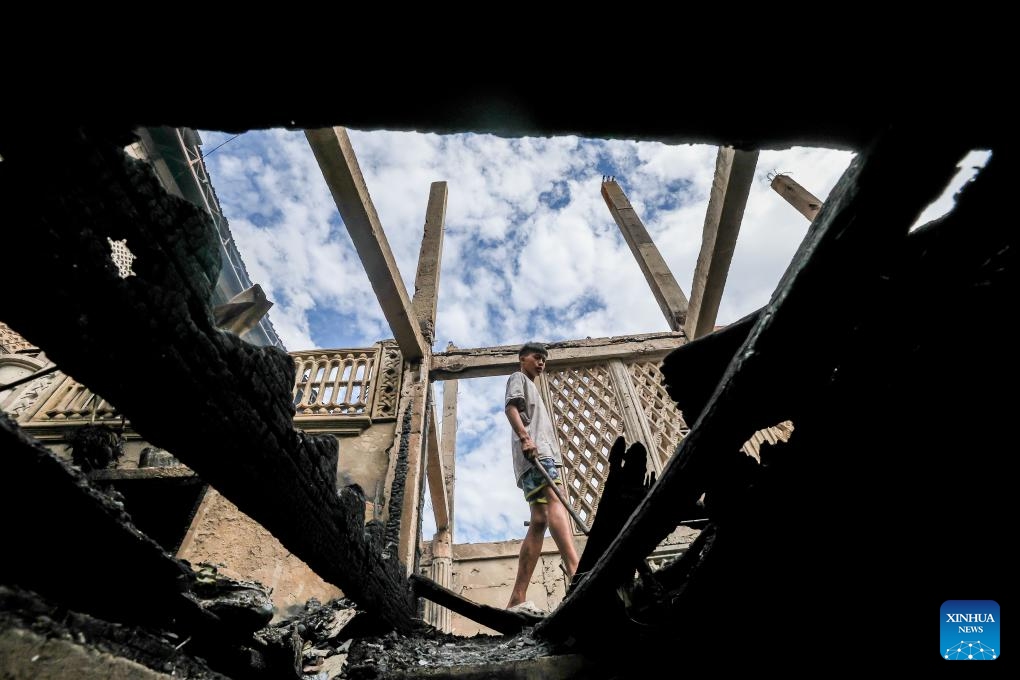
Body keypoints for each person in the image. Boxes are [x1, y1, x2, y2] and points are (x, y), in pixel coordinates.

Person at [504, 341, 580, 610]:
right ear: (522, 358)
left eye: (544, 360)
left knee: (539, 519)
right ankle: (576, 572)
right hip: (537, 454)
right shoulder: (518, 378)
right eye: (537, 357)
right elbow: (511, 408)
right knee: (555, 503)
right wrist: (526, 439)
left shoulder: (533, 387)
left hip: (535, 456)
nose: (541, 363)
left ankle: (517, 598)